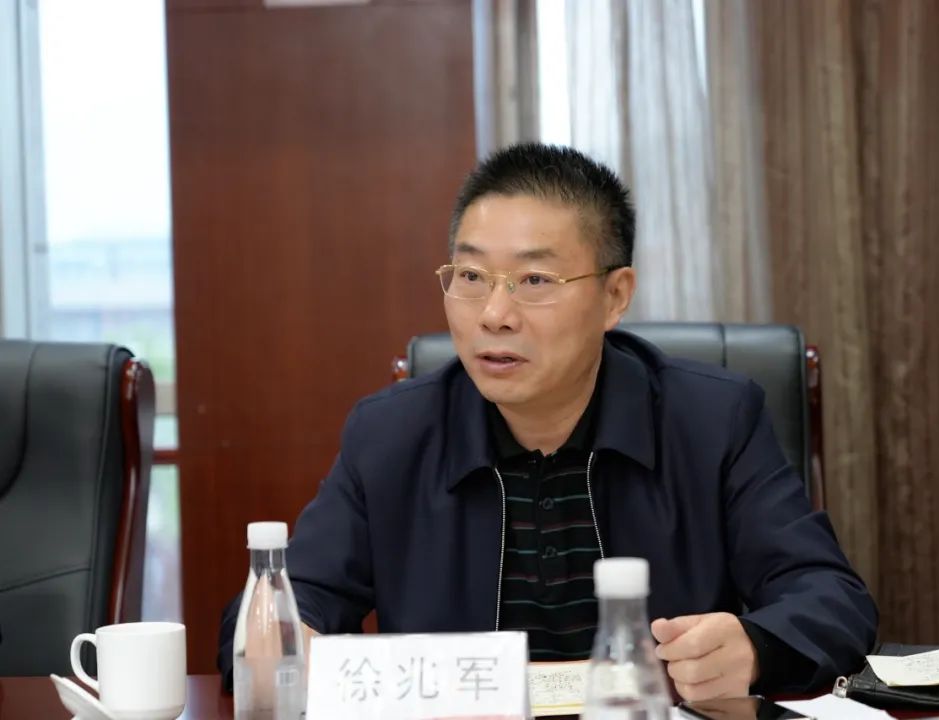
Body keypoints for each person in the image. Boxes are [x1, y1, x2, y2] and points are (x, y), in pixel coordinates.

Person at [219, 143, 877, 701]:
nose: (493, 314)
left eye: (534, 281)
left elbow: (830, 599)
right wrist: (279, 641)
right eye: (470, 275)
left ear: (615, 295)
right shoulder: (392, 436)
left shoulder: (712, 421)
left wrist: (756, 647)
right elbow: (280, 607)